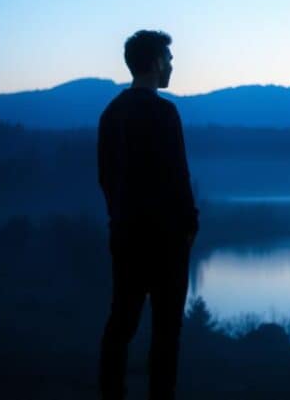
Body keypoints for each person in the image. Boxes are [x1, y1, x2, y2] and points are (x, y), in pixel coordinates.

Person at [97, 30, 199, 400]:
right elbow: (177, 174)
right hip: (166, 240)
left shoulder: (112, 114)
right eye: (169, 59)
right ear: (156, 63)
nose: (172, 65)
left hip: (126, 237)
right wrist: (190, 224)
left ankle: (111, 393)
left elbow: (105, 178)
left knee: (121, 322)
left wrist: (119, 220)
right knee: (166, 331)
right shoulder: (163, 112)